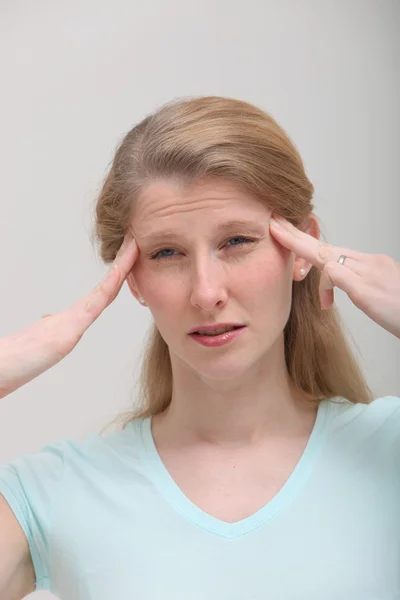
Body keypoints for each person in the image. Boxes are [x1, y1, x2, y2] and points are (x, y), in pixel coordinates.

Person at [0, 96, 399, 600]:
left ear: (302, 250)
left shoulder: (389, 451)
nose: (206, 291)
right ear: (134, 280)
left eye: (236, 241)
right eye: (167, 253)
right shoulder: (55, 491)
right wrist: (11, 360)